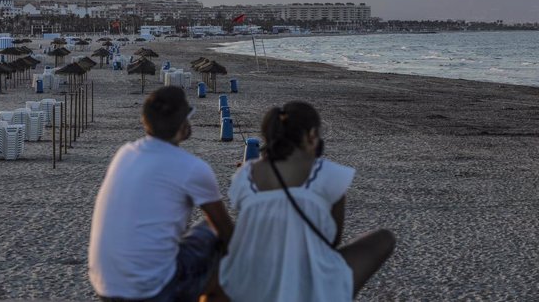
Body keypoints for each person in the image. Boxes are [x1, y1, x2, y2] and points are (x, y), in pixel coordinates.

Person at [220, 101, 395, 301]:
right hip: (309, 287)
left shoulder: (243, 176)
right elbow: (332, 241)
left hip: (252, 283)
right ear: (312, 135)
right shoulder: (329, 175)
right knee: (384, 238)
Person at [89, 86, 233, 302]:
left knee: (203, 233)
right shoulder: (193, 168)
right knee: (221, 242)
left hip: (105, 284)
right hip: (152, 290)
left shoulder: (125, 153)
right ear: (184, 123)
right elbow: (226, 232)